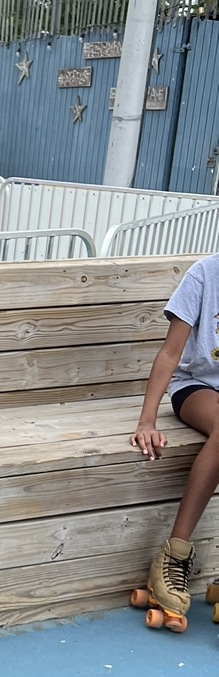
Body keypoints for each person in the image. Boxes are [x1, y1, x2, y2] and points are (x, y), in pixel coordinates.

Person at [129, 251, 219, 627]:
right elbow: (170, 352)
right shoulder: (204, 275)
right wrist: (147, 420)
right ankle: (174, 557)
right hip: (197, 388)